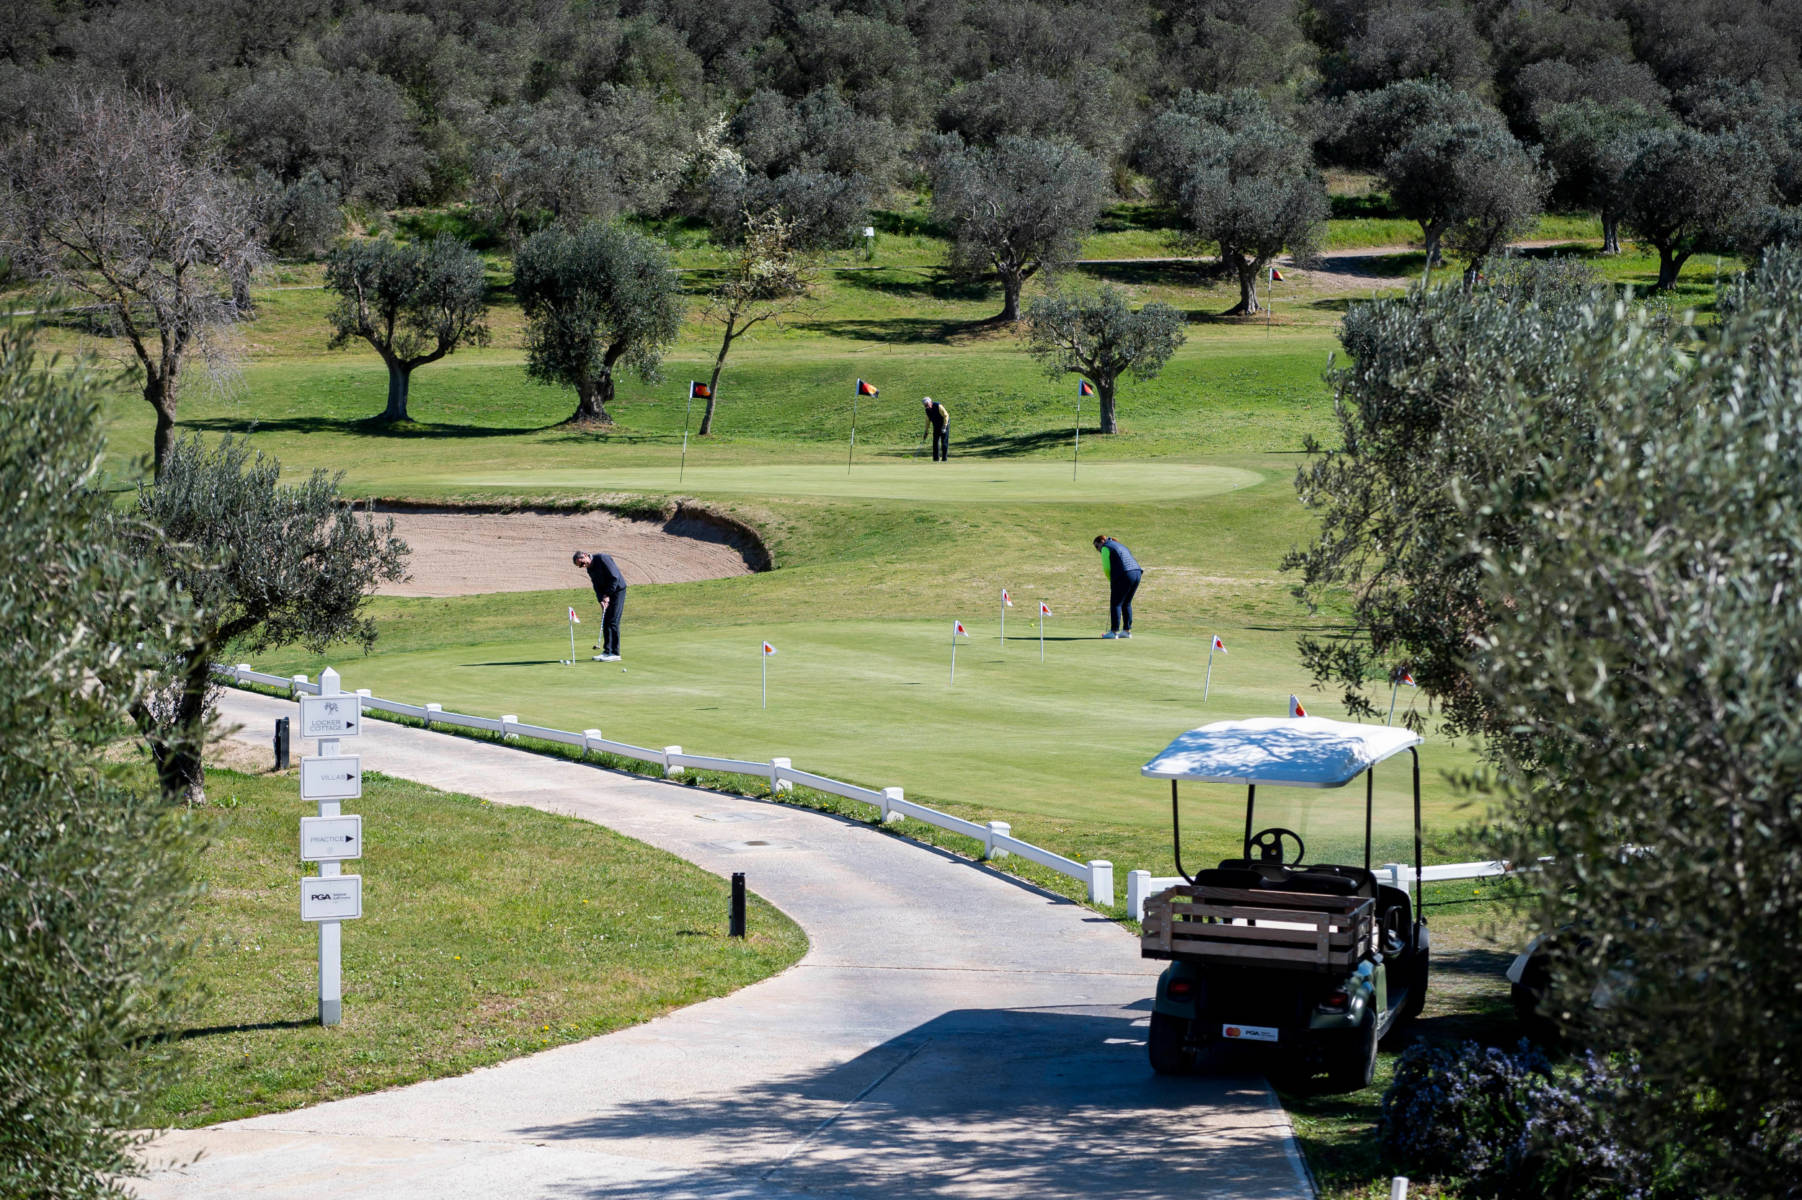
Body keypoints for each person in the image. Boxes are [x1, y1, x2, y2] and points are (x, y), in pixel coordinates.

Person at [573, 550, 627, 661]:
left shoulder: (602, 558)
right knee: (606, 621)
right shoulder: (589, 568)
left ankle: (615, 653)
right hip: (606, 594)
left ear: (586, 555)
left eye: (582, 563)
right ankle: (607, 651)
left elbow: (614, 577)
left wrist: (607, 595)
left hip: (617, 590)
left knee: (613, 621)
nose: (583, 566)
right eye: (580, 566)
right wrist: (601, 600)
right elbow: (596, 585)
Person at [1093, 534, 1143, 639]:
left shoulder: (1106, 547)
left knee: (1116, 603)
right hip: (1137, 573)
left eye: (1097, 547)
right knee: (1126, 603)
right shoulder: (1119, 545)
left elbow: (1107, 568)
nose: (1097, 550)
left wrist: (1112, 581)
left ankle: (1114, 632)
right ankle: (1126, 631)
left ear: (1102, 541)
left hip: (1125, 574)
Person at [922, 396, 950, 461]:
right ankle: (936, 459)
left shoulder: (938, 406)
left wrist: (944, 426)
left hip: (944, 423)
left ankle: (944, 459)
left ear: (930, 402)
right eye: (925, 405)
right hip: (936, 425)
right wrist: (926, 432)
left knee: (944, 441)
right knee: (935, 442)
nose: (927, 406)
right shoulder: (927, 410)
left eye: (927, 404)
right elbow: (927, 422)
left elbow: (946, 415)